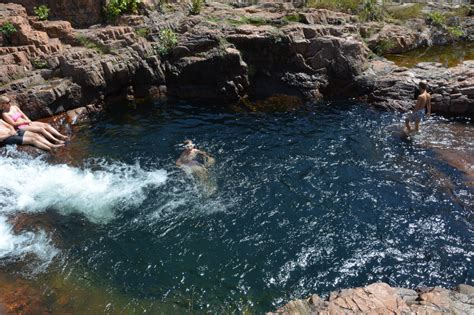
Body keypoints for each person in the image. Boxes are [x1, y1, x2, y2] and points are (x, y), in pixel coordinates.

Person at [0, 95, 68, 144]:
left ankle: (60, 136)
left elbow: (23, 114)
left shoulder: (14, 107)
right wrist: (24, 121)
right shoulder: (5, 114)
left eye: (9, 101)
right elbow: (13, 124)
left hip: (27, 122)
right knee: (41, 129)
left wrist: (28, 120)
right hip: (21, 127)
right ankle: (56, 140)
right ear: (3, 104)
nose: (10, 103)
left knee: (46, 125)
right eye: (7, 102)